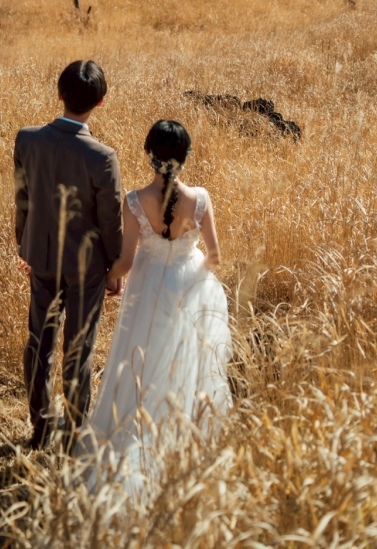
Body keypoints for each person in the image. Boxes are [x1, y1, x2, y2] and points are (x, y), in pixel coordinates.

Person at [80, 119, 231, 489]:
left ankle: (134, 434)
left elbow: (127, 261)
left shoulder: (134, 202)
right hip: (186, 287)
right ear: (186, 157)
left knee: (140, 360)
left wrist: (108, 276)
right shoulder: (201, 199)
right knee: (184, 363)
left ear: (149, 155)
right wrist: (194, 282)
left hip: (146, 289)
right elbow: (214, 256)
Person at [14, 60, 123, 449]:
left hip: (40, 258)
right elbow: (110, 219)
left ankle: (40, 427)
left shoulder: (27, 140)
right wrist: (115, 266)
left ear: (59, 93)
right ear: (102, 101)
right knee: (79, 348)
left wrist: (22, 244)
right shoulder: (103, 156)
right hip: (88, 267)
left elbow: (22, 199)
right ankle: (74, 434)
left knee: (37, 344)